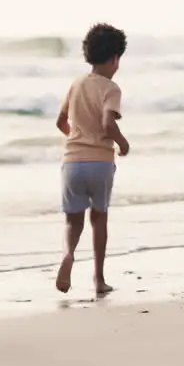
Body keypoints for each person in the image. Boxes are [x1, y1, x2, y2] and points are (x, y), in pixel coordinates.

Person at [54, 23, 130, 296]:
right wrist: (122, 142)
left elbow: (61, 121)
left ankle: (68, 255)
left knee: (73, 221)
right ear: (115, 59)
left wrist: (76, 136)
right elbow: (108, 124)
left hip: (73, 162)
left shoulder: (76, 84)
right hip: (99, 163)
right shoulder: (111, 88)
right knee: (99, 219)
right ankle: (98, 280)